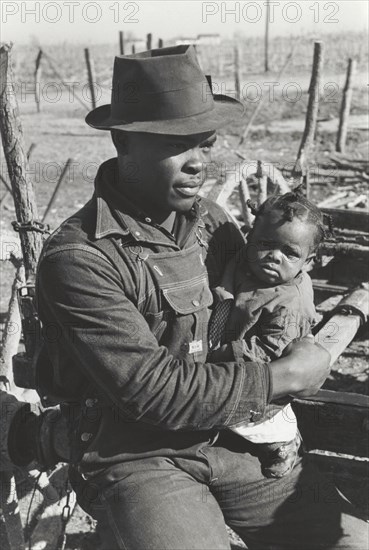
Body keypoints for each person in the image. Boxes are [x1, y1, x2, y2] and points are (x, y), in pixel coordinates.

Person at [36, 45, 367, 549]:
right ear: (122, 141)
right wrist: (282, 377)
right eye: (178, 145)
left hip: (230, 440)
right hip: (139, 456)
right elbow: (153, 393)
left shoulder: (210, 219)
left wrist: (295, 322)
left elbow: (269, 284)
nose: (199, 164)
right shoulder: (81, 260)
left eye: (206, 144)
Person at [208, 189, 329, 478]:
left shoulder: (289, 301)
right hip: (228, 342)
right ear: (249, 238)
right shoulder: (245, 262)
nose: (274, 257)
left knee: (264, 421)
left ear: (308, 261)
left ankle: (284, 446)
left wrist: (222, 353)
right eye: (265, 244)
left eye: (290, 253)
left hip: (261, 367)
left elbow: (269, 349)